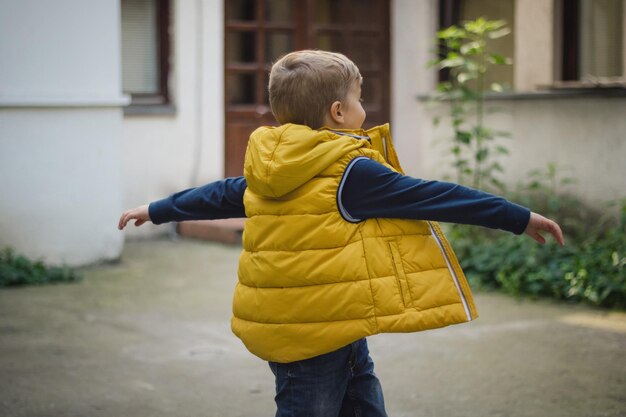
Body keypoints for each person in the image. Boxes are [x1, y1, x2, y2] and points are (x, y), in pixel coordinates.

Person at [118, 50, 564, 417]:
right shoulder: (350, 170)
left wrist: (157, 209)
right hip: (314, 338)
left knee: (364, 404)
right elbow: (433, 196)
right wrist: (516, 217)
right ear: (338, 113)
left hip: (330, 326)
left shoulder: (269, 165)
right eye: (359, 99)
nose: (364, 109)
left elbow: (219, 195)